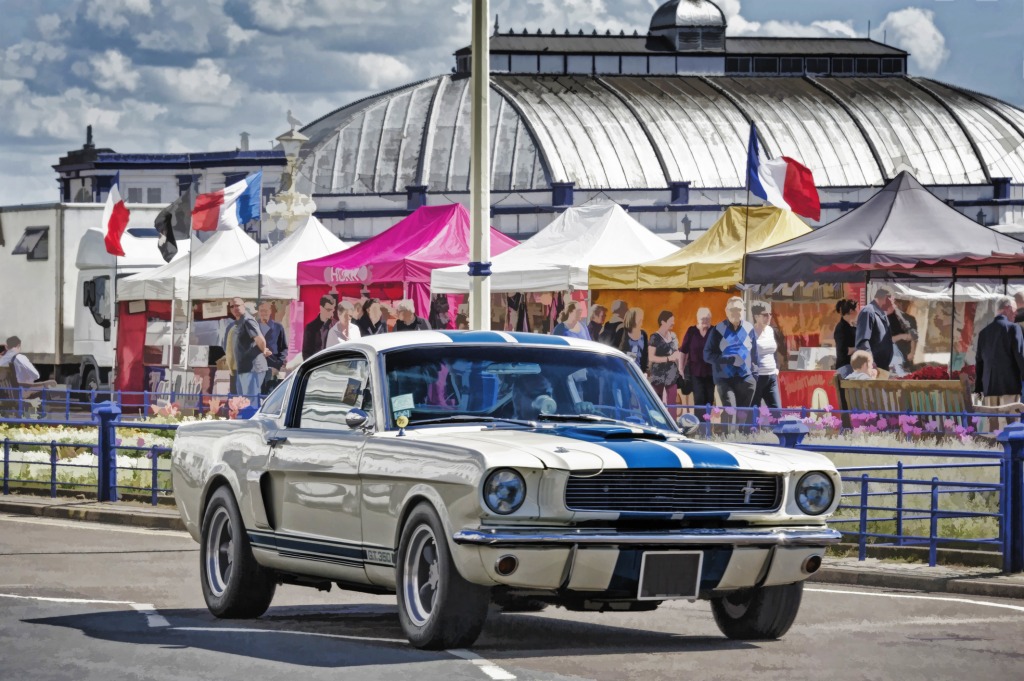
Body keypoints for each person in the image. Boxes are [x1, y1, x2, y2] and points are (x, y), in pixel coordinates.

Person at [704, 297, 759, 424]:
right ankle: (728, 438)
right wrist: (729, 360)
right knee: (731, 411)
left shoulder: (749, 328)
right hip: (725, 379)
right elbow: (707, 355)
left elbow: (755, 355)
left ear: (744, 311)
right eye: (732, 310)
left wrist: (754, 377)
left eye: (738, 309)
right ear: (726, 311)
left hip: (745, 378)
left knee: (743, 415)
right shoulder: (718, 330)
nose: (735, 313)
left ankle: (740, 439)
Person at [975, 296, 1024, 409]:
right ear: (1007, 308)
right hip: (1009, 388)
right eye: (1015, 309)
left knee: (993, 424)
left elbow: (979, 363)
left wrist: (979, 388)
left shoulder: (983, 333)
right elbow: (1020, 356)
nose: (1016, 313)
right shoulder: (1014, 328)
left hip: (989, 389)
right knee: (1010, 424)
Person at [229, 298, 271, 398]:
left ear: (243, 306)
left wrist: (263, 350)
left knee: (251, 402)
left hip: (252, 368)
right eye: (232, 306)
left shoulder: (248, 320)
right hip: (243, 369)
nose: (235, 308)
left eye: (237, 305)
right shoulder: (239, 322)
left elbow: (260, 340)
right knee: (243, 403)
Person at [680, 307, 715, 419]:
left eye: (707, 319)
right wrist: (681, 368)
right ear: (698, 319)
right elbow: (683, 351)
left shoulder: (714, 331)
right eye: (703, 319)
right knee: (699, 399)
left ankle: (707, 428)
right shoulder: (691, 331)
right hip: (695, 372)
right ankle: (700, 428)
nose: (705, 321)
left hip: (711, 372)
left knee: (709, 399)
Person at [648, 310, 681, 415]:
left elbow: (676, 353)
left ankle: (672, 426)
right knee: (657, 403)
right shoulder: (654, 337)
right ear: (663, 322)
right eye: (671, 321)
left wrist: (677, 357)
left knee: (672, 404)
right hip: (658, 375)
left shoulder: (673, 336)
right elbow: (651, 357)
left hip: (672, 375)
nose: (673, 323)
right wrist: (668, 358)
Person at [855, 287, 894, 373]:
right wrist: (871, 363)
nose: (892, 304)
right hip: (872, 368)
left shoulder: (882, 313)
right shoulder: (868, 311)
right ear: (886, 298)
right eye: (892, 301)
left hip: (882, 367)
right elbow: (862, 341)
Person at [751, 302, 781, 411]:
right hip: (757, 378)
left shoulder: (770, 330)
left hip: (771, 377)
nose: (769, 317)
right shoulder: (750, 332)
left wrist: (777, 368)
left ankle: (775, 428)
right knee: (754, 412)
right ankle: (752, 429)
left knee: (777, 411)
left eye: (770, 314)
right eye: (765, 314)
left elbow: (774, 351)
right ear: (756, 316)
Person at [257, 302, 288, 391]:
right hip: (257, 368)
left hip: (273, 368)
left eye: (266, 311)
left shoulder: (278, 327)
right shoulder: (254, 327)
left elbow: (284, 348)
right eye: (261, 311)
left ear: (270, 311)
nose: (263, 313)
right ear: (258, 312)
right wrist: (261, 352)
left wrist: (278, 364)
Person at [302, 294, 336, 359]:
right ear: (321, 308)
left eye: (333, 310)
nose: (331, 313)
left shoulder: (336, 325)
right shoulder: (310, 327)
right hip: (316, 364)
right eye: (328, 310)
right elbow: (306, 353)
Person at [888, 300, 918, 370]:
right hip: (893, 356)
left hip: (907, 355)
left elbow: (914, 337)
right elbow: (885, 340)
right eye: (902, 303)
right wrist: (901, 336)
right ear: (896, 303)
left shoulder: (911, 319)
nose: (905, 306)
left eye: (907, 303)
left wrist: (912, 352)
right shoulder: (889, 318)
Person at [618, 307, 648, 372]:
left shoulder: (644, 334)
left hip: (638, 372)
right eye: (639, 317)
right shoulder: (622, 332)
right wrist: (630, 355)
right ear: (632, 318)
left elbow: (645, 356)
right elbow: (616, 351)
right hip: (623, 370)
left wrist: (645, 372)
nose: (641, 319)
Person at [833, 299, 858, 370]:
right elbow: (843, 351)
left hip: (853, 366)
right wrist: (858, 347)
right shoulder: (841, 328)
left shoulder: (852, 326)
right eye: (856, 310)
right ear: (851, 311)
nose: (857, 312)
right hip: (845, 367)